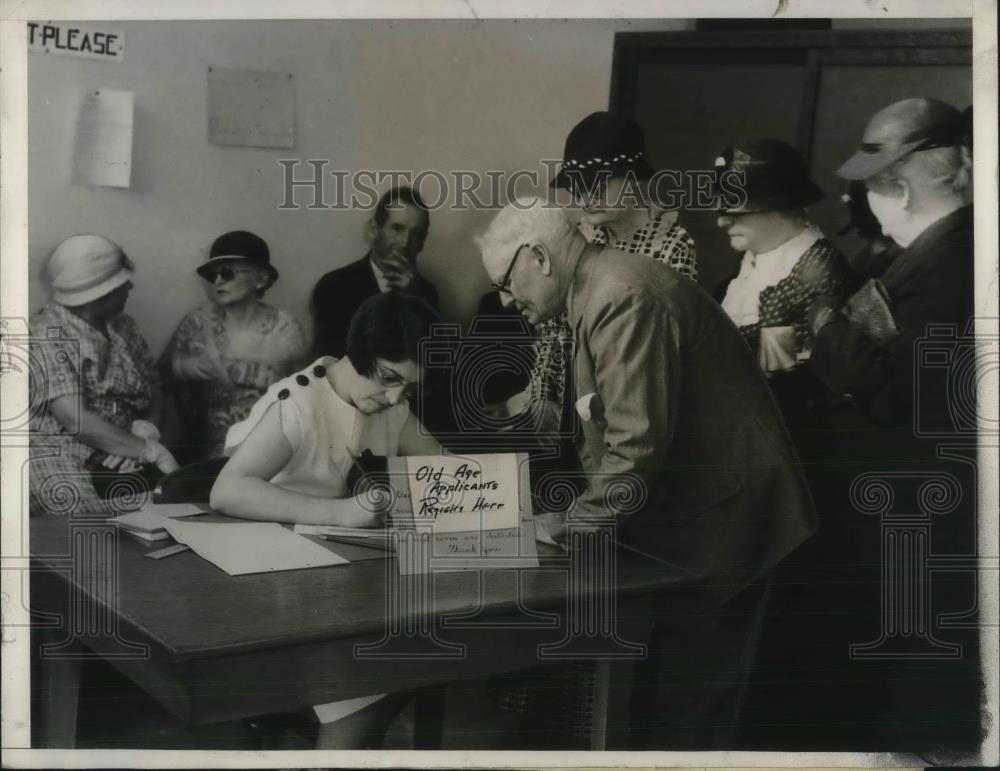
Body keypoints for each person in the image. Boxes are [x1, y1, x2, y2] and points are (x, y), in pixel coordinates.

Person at [477, 198, 816, 749]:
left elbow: (635, 448)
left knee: (694, 712)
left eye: (504, 281)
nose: (504, 299)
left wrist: (563, 528)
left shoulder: (620, 296)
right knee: (668, 702)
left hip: (732, 526)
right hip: (702, 518)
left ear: (537, 256)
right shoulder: (597, 288)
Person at [802, 97, 980, 753]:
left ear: (895, 187)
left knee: (916, 709)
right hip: (894, 504)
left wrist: (826, 327)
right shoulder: (923, 255)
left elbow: (890, 389)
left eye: (874, 186)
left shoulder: (952, 262)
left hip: (916, 508)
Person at [209, 291, 442, 749]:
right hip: (268, 580)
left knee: (421, 644)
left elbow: (443, 469)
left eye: (409, 388)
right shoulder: (298, 400)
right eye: (390, 378)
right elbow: (227, 491)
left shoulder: (391, 404)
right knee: (384, 668)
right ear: (358, 352)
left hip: (336, 577)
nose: (396, 397)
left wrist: (510, 506)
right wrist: (341, 512)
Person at [503, 111, 698, 438]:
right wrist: (539, 400)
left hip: (637, 413)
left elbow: (664, 356)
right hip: (573, 413)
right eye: (576, 187)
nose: (584, 198)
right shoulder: (579, 237)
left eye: (599, 183)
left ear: (634, 176)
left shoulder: (672, 247)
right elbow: (552, 333)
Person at [29, 234, 179, 517]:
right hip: (59, 453)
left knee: (177, 514)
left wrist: (145, 432)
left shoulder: (125, 327)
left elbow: (155, 390)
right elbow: (75, 420)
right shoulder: (45, 333)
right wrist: (150, 451)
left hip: (123, 450)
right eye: (123, 284)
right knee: (89, 527)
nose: (130, 287)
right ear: (101, 293)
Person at [160, 231, 308, 462]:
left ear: (260, 279)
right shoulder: (197, 323)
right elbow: (157, 380)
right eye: (213, 274)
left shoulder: (285, 328)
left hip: (271, 446)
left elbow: (306, 393)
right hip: (207, 448)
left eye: (227, 272)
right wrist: (181, 367)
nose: (218, 280)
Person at [310, 186, 438, 359]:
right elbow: (330, 360)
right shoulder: (334, 285)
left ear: (422, 242)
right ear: (373, 229)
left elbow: (434, 360)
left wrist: (413, 298)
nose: (405, 243)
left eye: (416, 234)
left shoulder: (427, 293)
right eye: (397, 228)